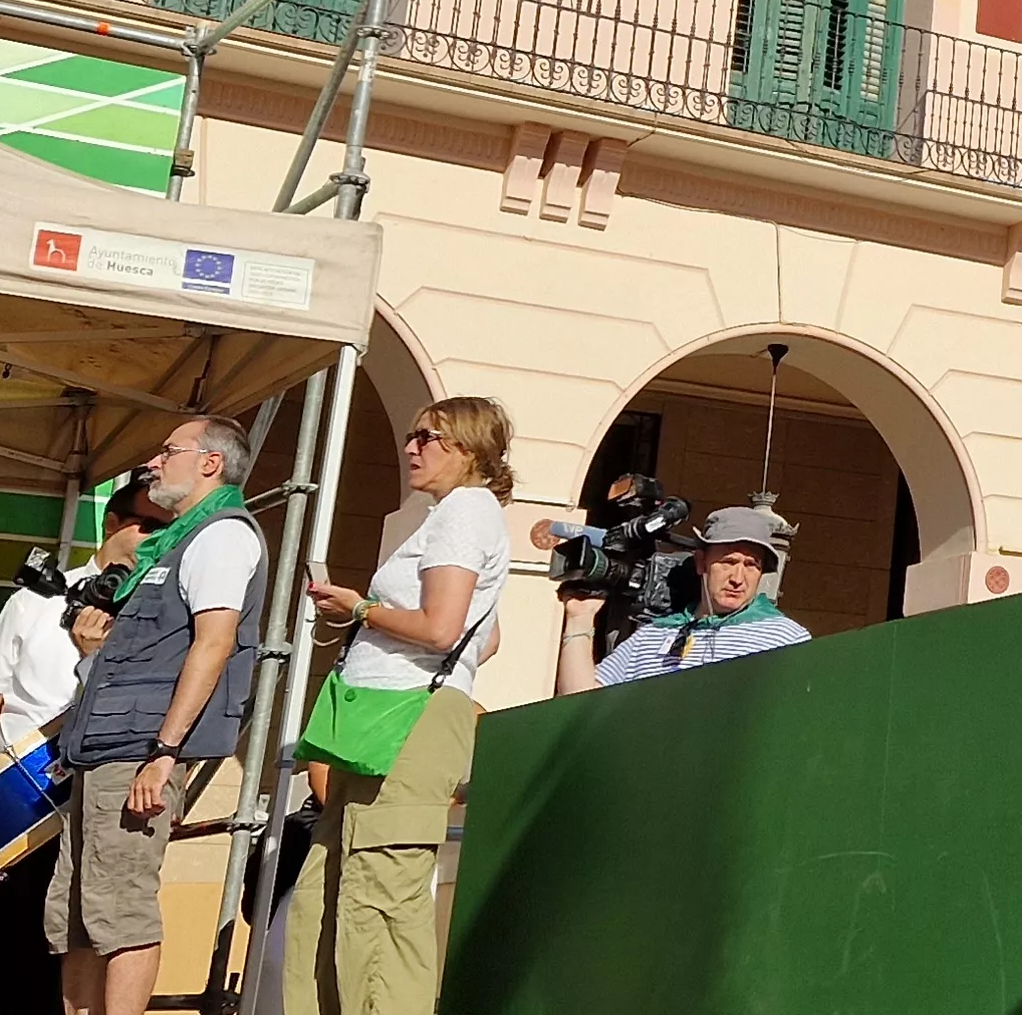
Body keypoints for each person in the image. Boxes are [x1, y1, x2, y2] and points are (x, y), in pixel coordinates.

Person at [287, 398, 516, 1015]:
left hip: (407, 720)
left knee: (379, 903)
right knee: (332, 892)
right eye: (412, 436)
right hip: (389, 716)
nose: (411, 448)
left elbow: (442, 629)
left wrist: (359, 609)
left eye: (428, 438)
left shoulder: (465, 512)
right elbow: (484, 636)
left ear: (467, 450)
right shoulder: (454, 515)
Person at [50, 417, 263, 1015]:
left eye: (169, 451)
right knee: (77, 912)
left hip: (142, 745)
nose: (154, 462)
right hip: (105, 742)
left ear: (210, 464)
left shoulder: (221, 536)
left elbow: (214, 644)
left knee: (120, 909)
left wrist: (165, 750)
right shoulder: (172, 542)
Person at [0, 482, 169, 1012]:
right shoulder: (37, 598)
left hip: (102, 795)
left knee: (87, 939)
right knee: (13, 939)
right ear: (112, 522)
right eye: (149, 525)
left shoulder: (161, 605)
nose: (159, 538)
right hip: (20, 795)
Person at [553, 506, 812, 691]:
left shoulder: (785, 639)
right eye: (728, 562)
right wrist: (580, 619)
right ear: (701, 563)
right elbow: (581, 704)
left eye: (751, 565)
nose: (738, 577)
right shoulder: (652, 635)